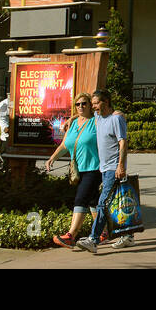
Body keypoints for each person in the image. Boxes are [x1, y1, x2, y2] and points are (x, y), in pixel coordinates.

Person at [78, 89, 128, 253]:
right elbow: (88, 116)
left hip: (113, 168)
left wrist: (121, 165)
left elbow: (122, 142)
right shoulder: (99, 117)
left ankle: (93, 240)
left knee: (103, 203)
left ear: (106, 102)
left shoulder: (116, 119)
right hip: (103, 168)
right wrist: (71, 119)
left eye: (96, 103)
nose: (93, 107)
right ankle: (128, 236)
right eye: (92, 104)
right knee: (116, 203)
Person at [47, 93, 99, 249]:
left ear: (90, 105)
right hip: (78, 169)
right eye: (78, 104)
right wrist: (52, 158)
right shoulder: (73, 123)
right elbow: (65, 145)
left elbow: (110, 114)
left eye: (84, 104)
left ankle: (71, 236)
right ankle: (103, 232)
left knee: (80, 199)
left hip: (94, 167)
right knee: (93, 202)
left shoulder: (97, 121)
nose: (81, 107)